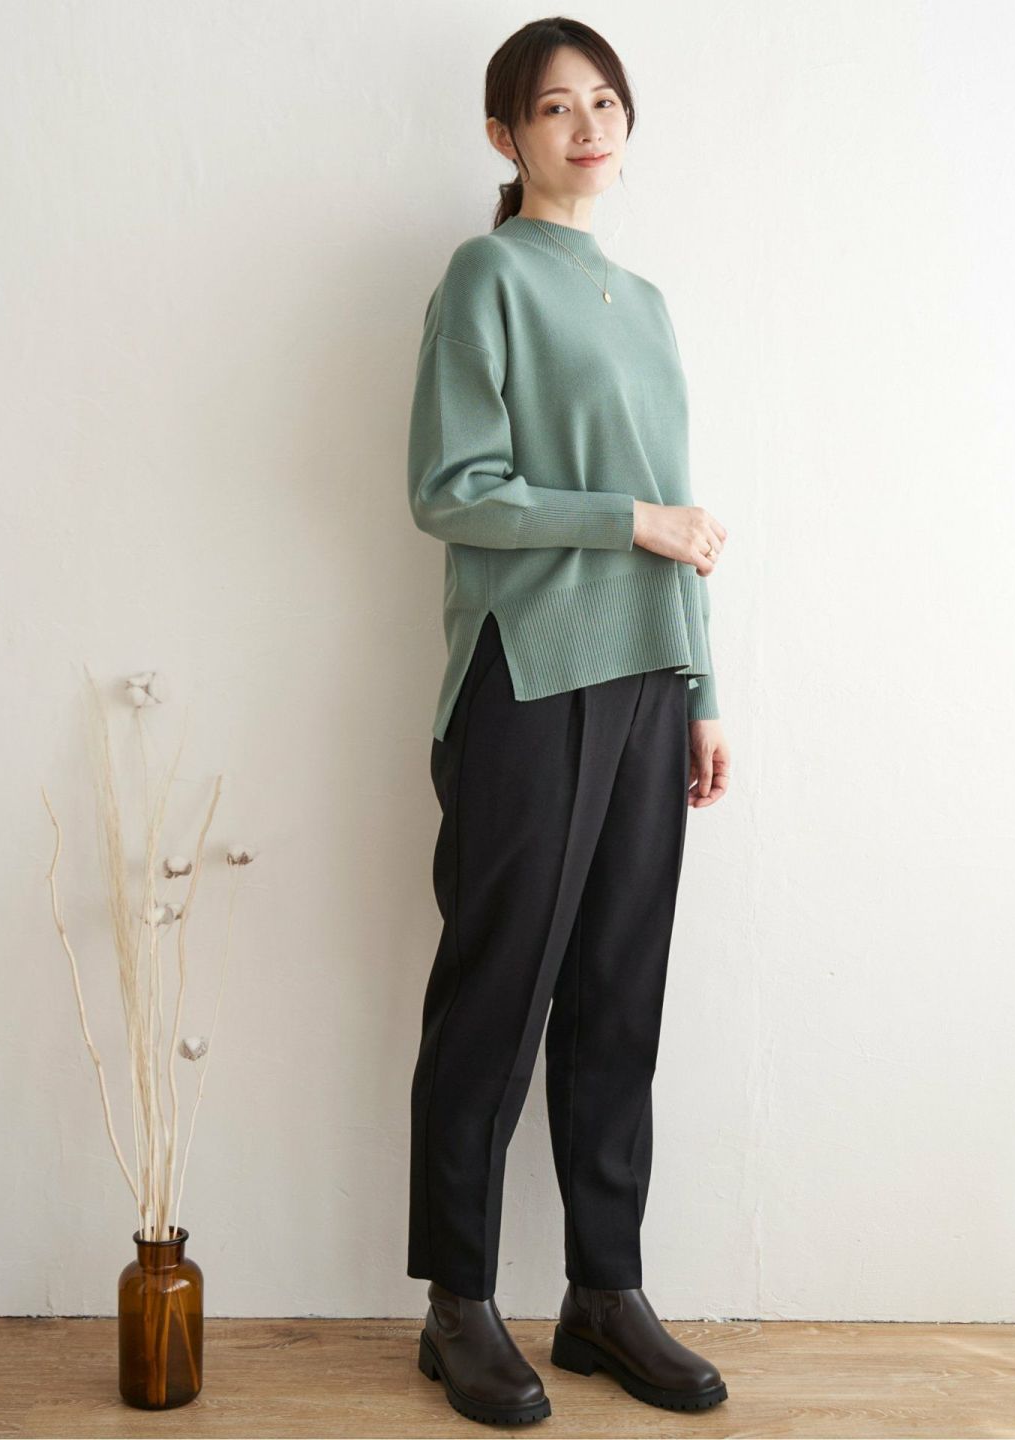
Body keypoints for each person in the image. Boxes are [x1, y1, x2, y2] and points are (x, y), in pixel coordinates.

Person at [405, 17, 731, 1426]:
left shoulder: (645, 303)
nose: (588, 126)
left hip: (651, 679)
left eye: (606, 101)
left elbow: (682, 509)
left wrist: (705, 688)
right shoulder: (486, 275)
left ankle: (604, 1294)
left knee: (620, 996)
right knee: (498, 990)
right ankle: (457, 1305)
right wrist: (629, 523)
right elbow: (451, 490)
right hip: (529, 672)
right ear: (507, 136)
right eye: (554, 107)